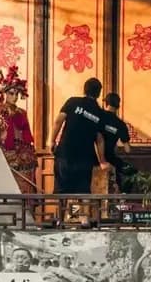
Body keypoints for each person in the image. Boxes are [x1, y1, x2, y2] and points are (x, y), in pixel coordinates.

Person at [48, 78, 108, 226]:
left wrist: (51, 140)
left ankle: (61, 219)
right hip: (85, 156)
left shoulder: (73, 102)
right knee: (83, 187)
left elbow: (58, 121)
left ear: (84, 89)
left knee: (62, 187)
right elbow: (99, 139)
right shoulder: (100, 113)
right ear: (99, 93)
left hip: (65, 152)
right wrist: (102, 160)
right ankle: (85, 218)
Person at [0, 66, 37, 193]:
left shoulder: (22, 112)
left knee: (26, 187)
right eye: (11, 93)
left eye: (17, 93)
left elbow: (27, 134)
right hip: (7, 152)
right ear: (5, 94)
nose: (15, 96)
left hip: (25, 153)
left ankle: (27, 211)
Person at [100, 92, 136, 193]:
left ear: (105, 104)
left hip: (91, 156)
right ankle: (123, 196)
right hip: (110, 158)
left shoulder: (98, 117)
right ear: (118, 106)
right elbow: (128, 149)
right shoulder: (120, 124)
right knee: (132, 172)